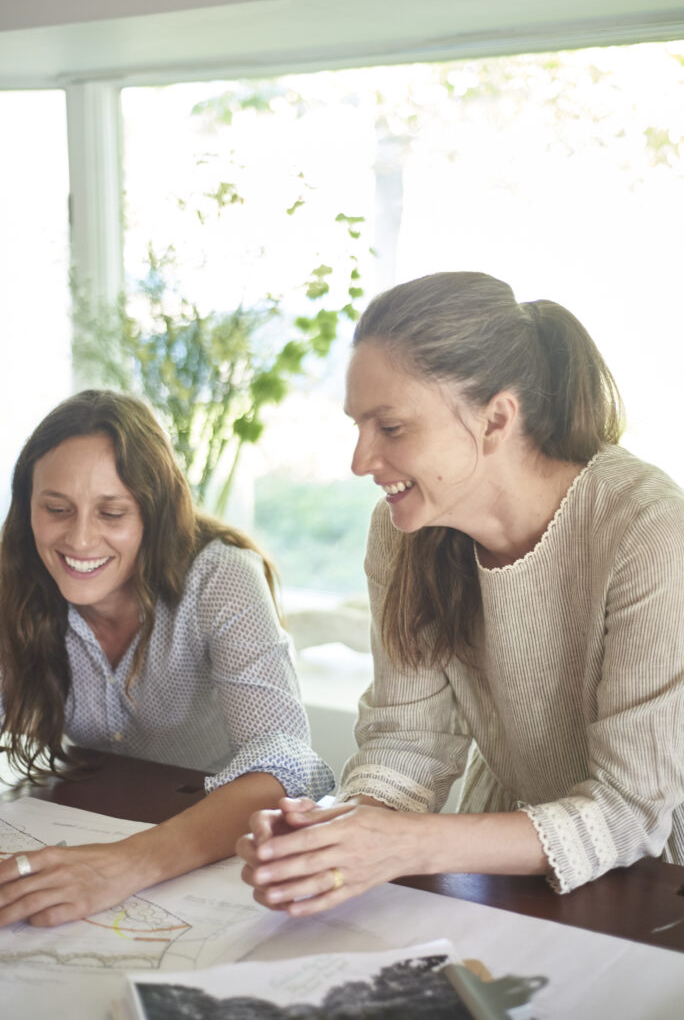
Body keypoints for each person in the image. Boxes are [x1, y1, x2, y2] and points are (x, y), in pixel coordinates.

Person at [237, 270, 684, 916]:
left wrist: (403, 845)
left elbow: (630, 810)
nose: (360, 461)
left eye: (390, 428)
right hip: (502, 862)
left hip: (655, 881)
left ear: (496, 419)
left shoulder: (650, 530)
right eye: (358, 426)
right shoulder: (403, 531)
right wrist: (332, 835)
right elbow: (408, 741)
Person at [0, 389, 333, 927]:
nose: (79, 538)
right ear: (27, 508)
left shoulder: (222, 577)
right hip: (92, 820)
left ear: (154, 515)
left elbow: (287, 763)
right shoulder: (14, 579)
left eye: (112, 512)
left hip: (214, 845)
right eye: (56, 509)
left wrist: (125, 864)